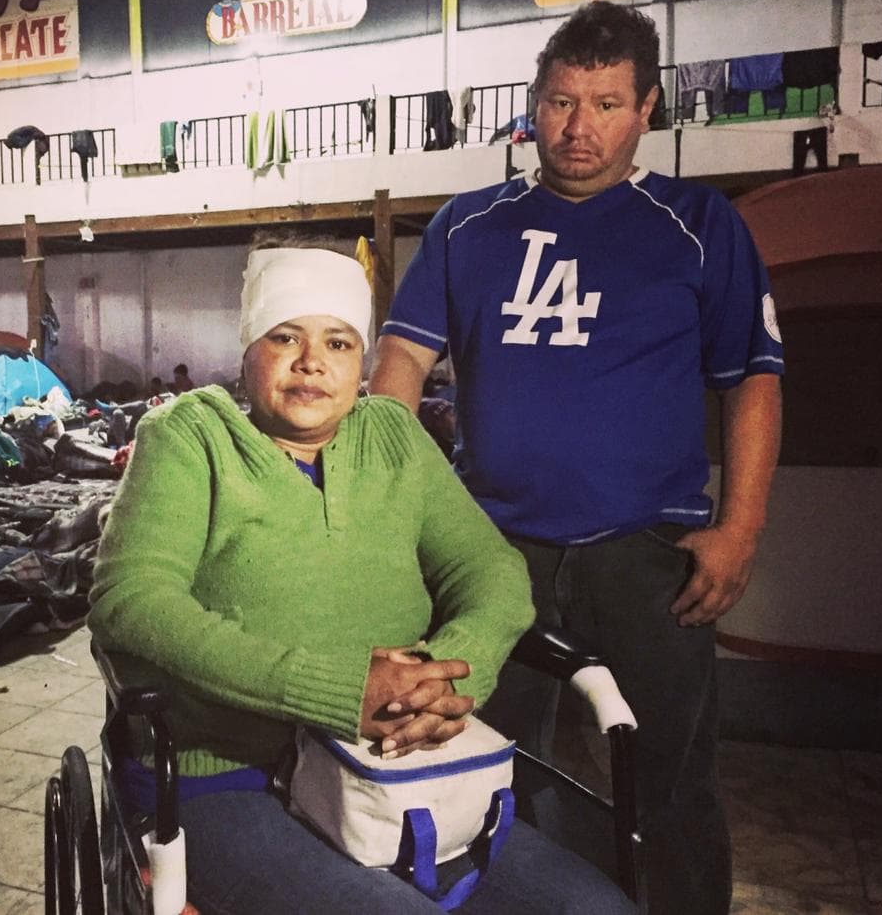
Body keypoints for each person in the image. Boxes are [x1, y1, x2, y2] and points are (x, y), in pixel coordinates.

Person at [369, 1, 783, 915]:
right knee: (486, 766)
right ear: (532, 103)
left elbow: (751, 377)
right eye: (560, 101)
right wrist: (396, 515)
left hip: (649, 559)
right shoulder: (468, 226)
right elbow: (400, 365)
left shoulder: (697, 224)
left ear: (645, 112)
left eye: (604, 104)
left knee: (671, 785)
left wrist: (742, 526)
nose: (578, 127)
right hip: (494, 554)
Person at [89, 241, 635, 914]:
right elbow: (131, 602)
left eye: (339, 343)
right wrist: (344, 691)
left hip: (393, 768)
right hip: (227, 778)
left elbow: (490, 569)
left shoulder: (393, 437)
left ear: (362, 363)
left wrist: (439, 680)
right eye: (284, 336)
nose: (312, 361)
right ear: (248, 347)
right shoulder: (189, 437)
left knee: (597, 910)